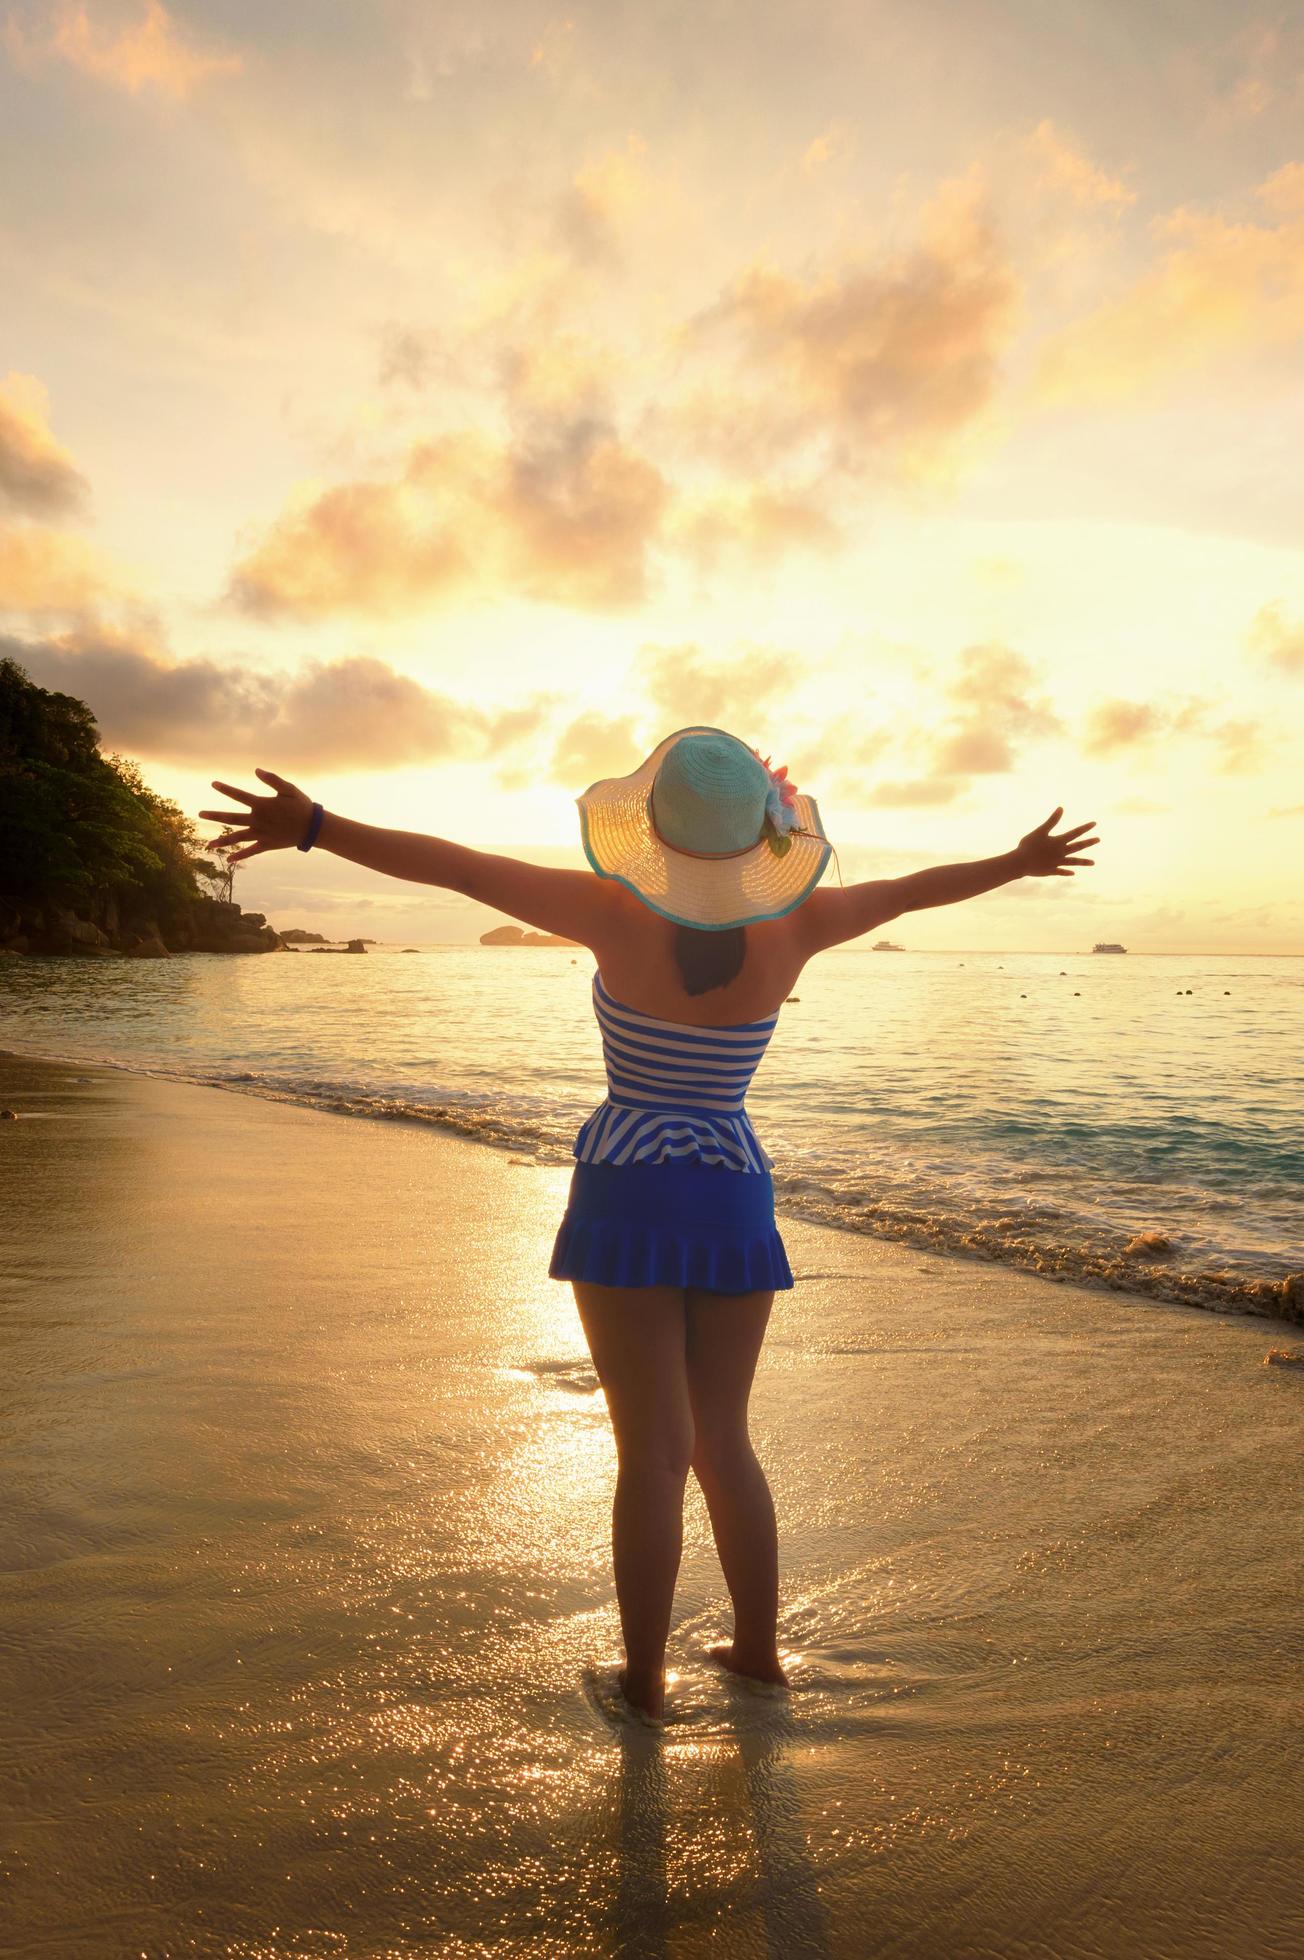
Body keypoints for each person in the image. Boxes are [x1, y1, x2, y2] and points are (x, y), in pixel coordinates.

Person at [199, 726, 1098, 1723]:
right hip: (730, 1188)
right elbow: (913, 890)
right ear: (759, 837)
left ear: (651, 828)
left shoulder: (605, 909)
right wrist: (1017, 864)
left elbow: (455, 868)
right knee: (725, 1440)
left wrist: (315, 825)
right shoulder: (797, 926)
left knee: (651, 1452)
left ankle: (642, 1684)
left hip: (626, 1183)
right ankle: (756, 1658)